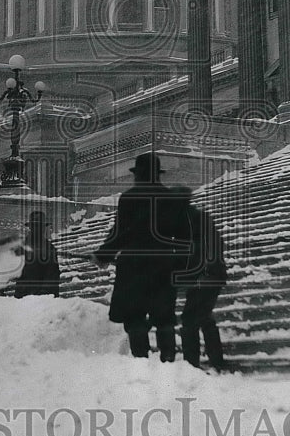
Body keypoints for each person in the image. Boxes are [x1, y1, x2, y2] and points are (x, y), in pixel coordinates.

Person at [93, 153, 192, 361]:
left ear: (138, 175)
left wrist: (103, 255)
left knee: (135, 317)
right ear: (157, 175)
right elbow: (185, 236)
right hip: (163, 266)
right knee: (164, 318)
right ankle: (168, 363)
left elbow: (120, 232)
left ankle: (141, 362)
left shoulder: (129, 198)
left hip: (133, 267)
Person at [179, 204, 228, 371]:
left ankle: (191, 365)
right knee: (203, 318)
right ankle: (216, 361)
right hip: (204, 279)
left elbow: (212, 250)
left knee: (189, 319)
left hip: (207, 278)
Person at [14, 211, 61, 298]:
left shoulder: (49, 248)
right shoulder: (21, 247)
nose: (38, 229)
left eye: (40, 226)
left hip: (42, 299)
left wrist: (43, 294)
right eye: (35, 226)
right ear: (30, 227)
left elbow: (52, 275)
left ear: (44, 228)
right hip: (22, 298)